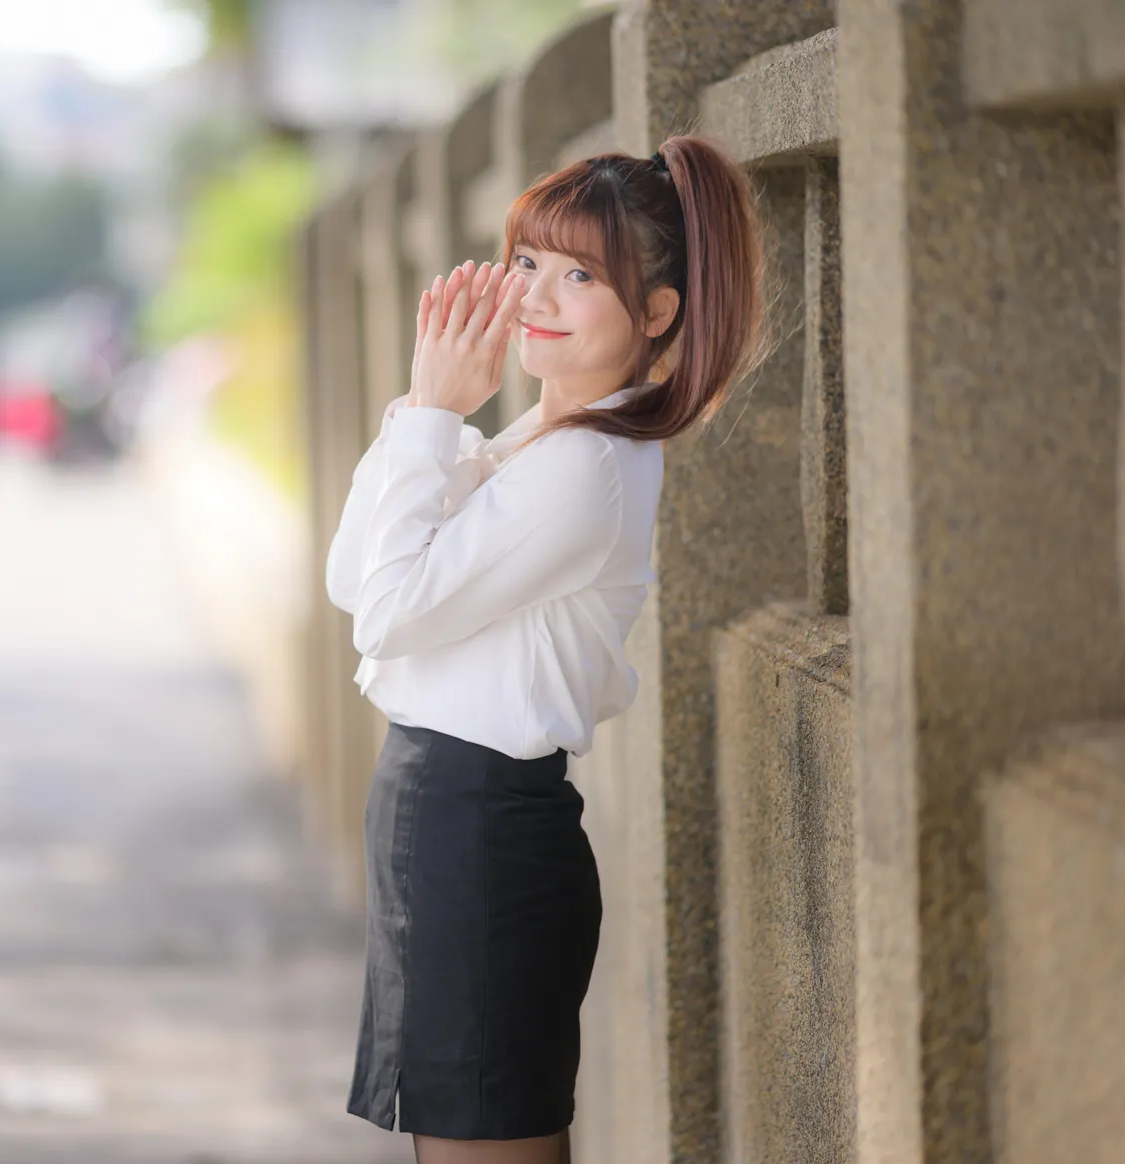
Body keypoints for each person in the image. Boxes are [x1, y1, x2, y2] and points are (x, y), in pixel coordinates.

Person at [325, 137, 764, 1164]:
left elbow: (386, 610)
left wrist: (437, 417)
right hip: (447, 819)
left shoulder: (587, 469)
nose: (538, 295)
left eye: (581, 276)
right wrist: (425, 417)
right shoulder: (537, 441)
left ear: (657, 314)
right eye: (528, 263)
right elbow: (357, 578)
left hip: (480, 825)